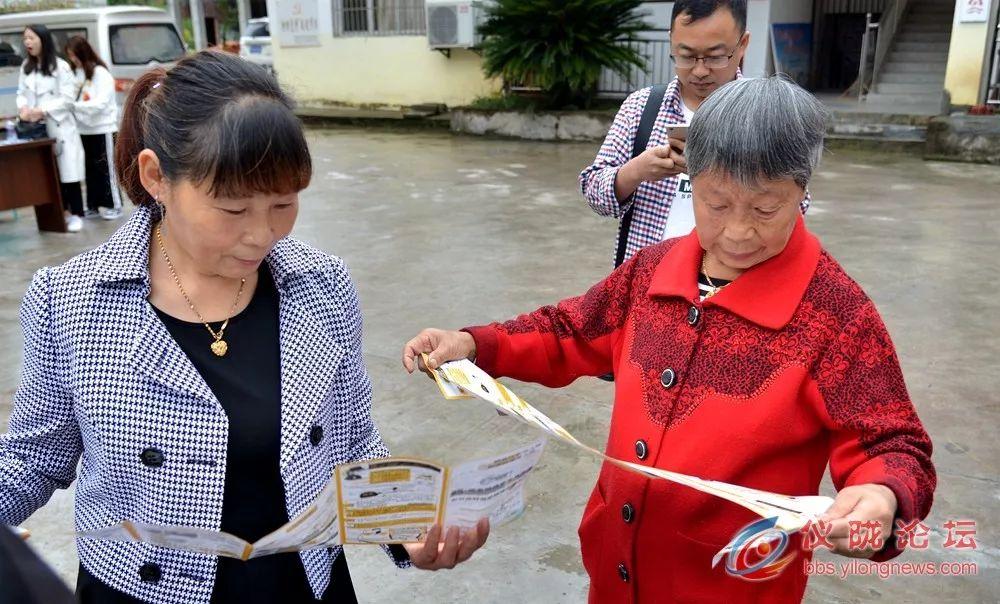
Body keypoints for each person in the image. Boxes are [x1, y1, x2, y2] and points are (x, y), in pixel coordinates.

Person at [404, 76, 935, 603]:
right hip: (616, 574)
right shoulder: (653, 271)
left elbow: (893, 442)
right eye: (716, 203)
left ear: (802, 190)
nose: (737, 232)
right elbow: (569, 330)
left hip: (735, 585)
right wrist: (475, 344)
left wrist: (881, 496)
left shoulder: (834, 315)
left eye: (766, 209)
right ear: (691, 181)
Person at [0, 51, 488, 604]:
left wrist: (407, 532)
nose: (263, 234)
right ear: (156, 177)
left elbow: (352, 444)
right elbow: (33, 457)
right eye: (233, 210)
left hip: (299, 584)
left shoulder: (321, 285)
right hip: (143, 592)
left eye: (284, 203)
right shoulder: (70, 301)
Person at [15, 24, 86, 232]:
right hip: (36, 130)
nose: (27, 42)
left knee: (67, 173)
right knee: (45, 172)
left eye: (31, 38)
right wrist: (24, 107)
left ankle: (74, 214)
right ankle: (54, 215)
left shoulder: (60, 67)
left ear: (43, 40)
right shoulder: (26, 66)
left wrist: (42, 110)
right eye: (25, 38)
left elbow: (67, 99)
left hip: (59, 126)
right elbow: (21, 92)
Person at [66, 35, 123, 221]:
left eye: (75, 56)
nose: (73, 61)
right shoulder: (77, 73)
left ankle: (115, 204)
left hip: (103, 128)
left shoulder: (101, 73)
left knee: (107, 168)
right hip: (84, 129)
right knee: (90, 169)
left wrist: (76, 107)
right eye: (71, 57)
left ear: (83, 54)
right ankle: (93, 205)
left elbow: (101, 103)